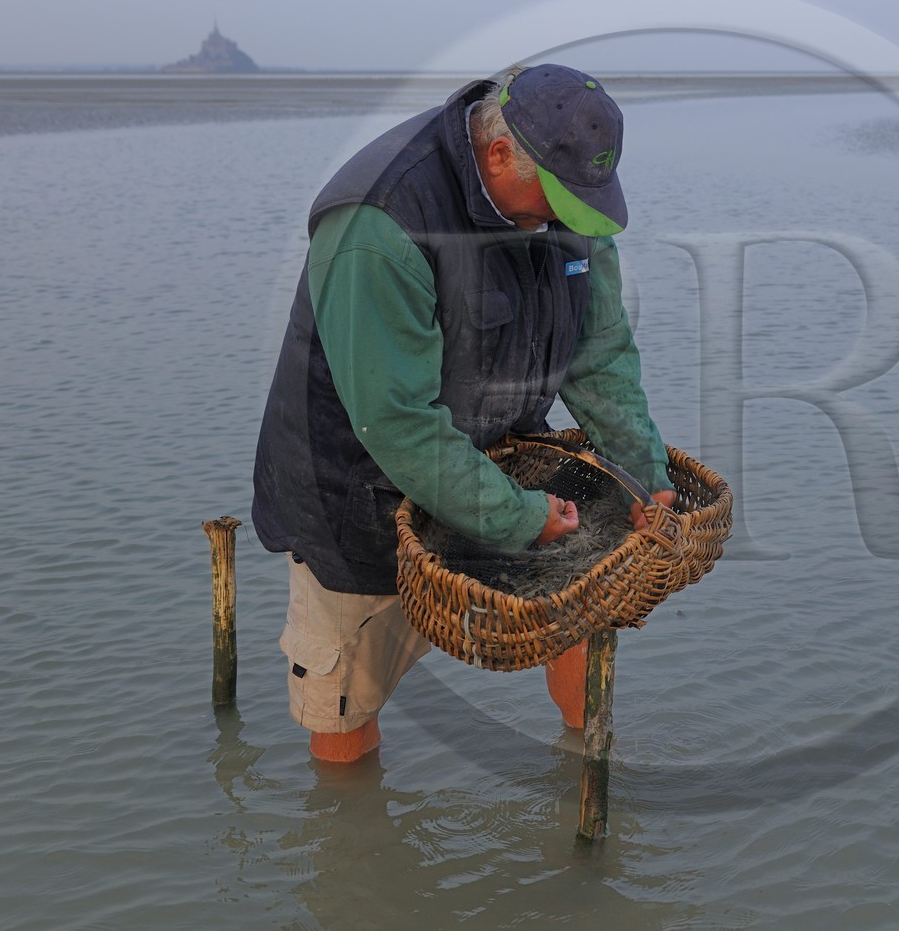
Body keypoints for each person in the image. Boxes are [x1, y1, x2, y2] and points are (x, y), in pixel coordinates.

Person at [252, 64, 676, 762]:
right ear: (500, 154)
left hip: (504, 451)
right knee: (345, 710)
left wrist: (642, 476)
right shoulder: (380, 221)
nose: (567, 224)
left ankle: (590, 776)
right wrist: (520, 517)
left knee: (583, 619)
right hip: (357, 488)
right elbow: (395, 420)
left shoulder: (571, 202)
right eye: (556, 204)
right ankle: (350, 827)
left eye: (582, 206)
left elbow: (600, 355)